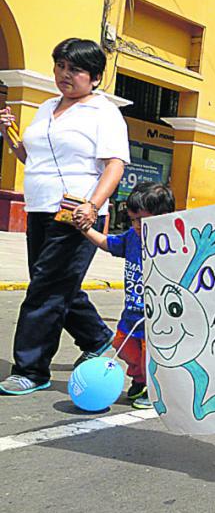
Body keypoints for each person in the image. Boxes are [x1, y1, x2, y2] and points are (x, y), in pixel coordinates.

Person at [0, 38, 130, 395]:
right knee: (56, 284)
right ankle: (98, 337)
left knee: (45, 288)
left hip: (77, 215)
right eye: (60, 66)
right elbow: (33, 158)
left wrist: (92, 205)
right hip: (40, 208)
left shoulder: (104, 113)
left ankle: (32, 368)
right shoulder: (47, 108)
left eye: (75, 69)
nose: (64, 75)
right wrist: (9, 136)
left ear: (95, 77)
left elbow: (114, 164)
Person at [80, 182, 175, 409]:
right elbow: (106, 243)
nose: (136, 226)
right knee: (122, 345)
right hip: (130, 315)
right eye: (133, 220)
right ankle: (140, 378)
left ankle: (153, 390)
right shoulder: (131, 237)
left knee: (149, 357)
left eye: (142, 220)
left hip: (155, 320)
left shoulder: (172, 244)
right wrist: (84, 229)